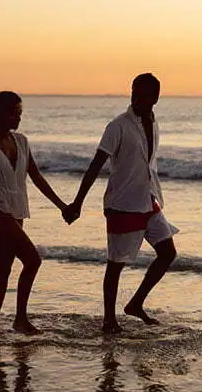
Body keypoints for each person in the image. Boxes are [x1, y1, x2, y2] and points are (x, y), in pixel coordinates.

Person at [63, 73, 178, 334]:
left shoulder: (153, 121)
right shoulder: (117, 126)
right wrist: (78, 203)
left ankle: (136, 303)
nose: (136, 98)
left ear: (155, 98)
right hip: (122, 203)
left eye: (143, 94)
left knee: (168, 253)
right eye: (134, 92)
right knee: (115, 263)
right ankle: (108, 320)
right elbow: (96, 165)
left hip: (148, 199)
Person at [0, 91, 67, 338]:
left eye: (20, 114)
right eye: (15, 113)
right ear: (0, 113)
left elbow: (36, 177)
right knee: (33, 259)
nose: (18, 118)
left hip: (17, 210)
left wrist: (62, 205)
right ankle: (20, 319)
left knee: (3, 269)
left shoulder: (22, 141)